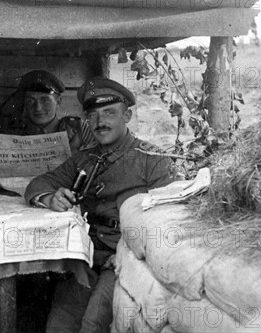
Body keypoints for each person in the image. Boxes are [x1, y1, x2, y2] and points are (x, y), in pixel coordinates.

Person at [24, 76, 180, 333]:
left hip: (126, 256)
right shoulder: (83, 160)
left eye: (109, 113)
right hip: (88, 256)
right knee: (59, 324)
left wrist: (125, 255)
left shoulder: (153, 160)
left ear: (127, 116)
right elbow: (39, 183)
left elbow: (170, 217)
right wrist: (51, 198)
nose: (100, 122)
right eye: (93, 115)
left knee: (93, 323)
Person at [0, 70, 95, 184]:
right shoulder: (13, 134)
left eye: (45, 100)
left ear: (58, 101)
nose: (38, 108)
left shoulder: (78, 128)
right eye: (31, 101)